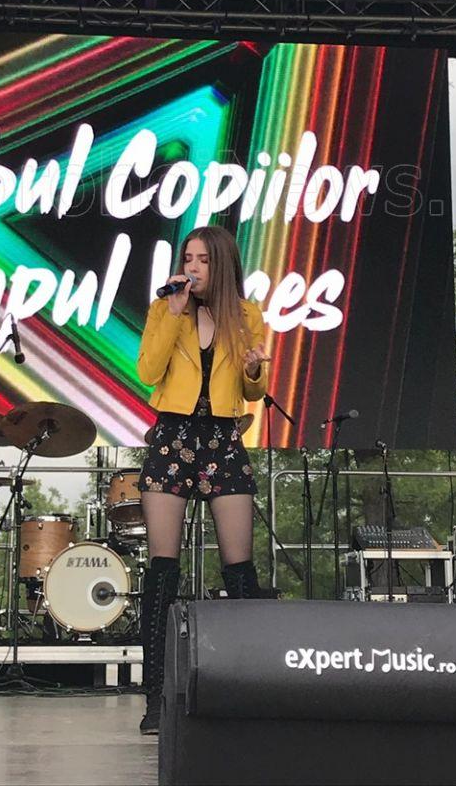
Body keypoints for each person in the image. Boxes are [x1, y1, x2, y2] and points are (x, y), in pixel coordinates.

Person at [136, 225, 270, 735]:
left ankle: (248, 688)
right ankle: (154, 697)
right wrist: (173, 314)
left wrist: (254, 371)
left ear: (222, 264)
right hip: (172, 435)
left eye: (202, 260)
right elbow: (149, 371)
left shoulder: (247, 315)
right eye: (187, 258)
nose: (191, 267)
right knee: (162, 568)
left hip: (222, 437)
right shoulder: (164, 308)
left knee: (240, 567)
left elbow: (253, 392)